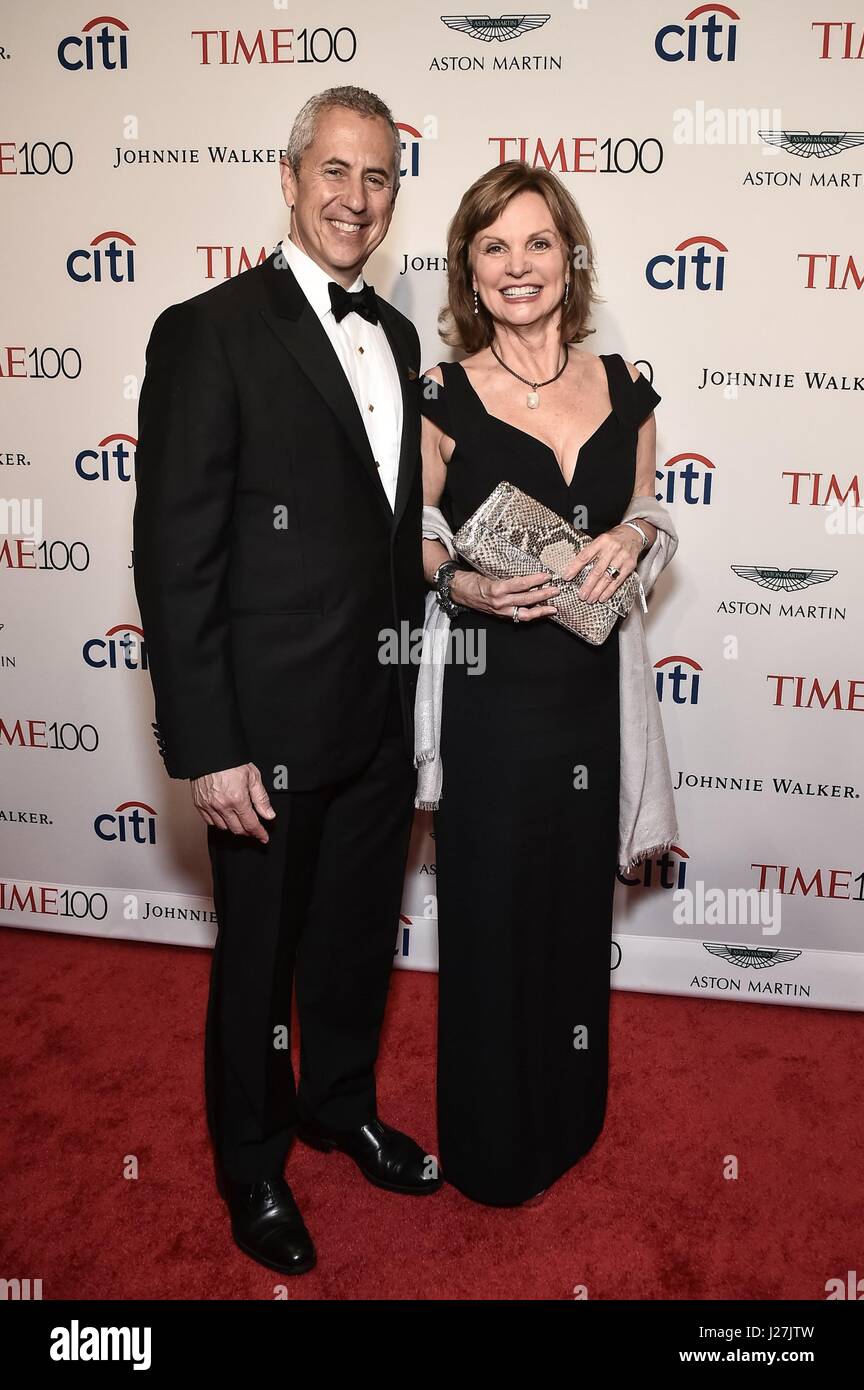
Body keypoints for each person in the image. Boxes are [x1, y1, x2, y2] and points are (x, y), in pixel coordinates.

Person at [132, 85, 441, 1278]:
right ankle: (253, 1163)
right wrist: (208, 742)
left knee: (358, 934)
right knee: (257, 957)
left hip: (373, 708)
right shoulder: (207, 330)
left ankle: (339, 1101)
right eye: (335, 171)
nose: (355, 197)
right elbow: (175, 555)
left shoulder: (401, 337)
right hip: (259, 728)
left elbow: (381, 531)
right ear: (290, 174)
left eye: (378, 178)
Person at [417, 160, 675, 1206]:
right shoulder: (441, 398)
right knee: (488, 914)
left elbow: (656, 511)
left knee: (576, 910)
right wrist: (469, 582)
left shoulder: (627, 387)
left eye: (536, 242)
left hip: (592, 699)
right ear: (469, 274)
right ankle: (490, 1145)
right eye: (493, 247)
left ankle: (570, 1113)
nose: (517, 265)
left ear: (570, 259)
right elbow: (413, 537)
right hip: (493, 697)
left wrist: (633, 534)